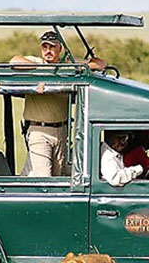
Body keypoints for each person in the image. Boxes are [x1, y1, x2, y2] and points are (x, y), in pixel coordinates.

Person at [10, 31, 106, 177]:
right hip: (39, 132)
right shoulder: (37, 63)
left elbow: (101, 64)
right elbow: (14, 61)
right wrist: (46, 71)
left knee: (58, 177)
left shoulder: (68, 66)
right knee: (44, 179)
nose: (48, 51)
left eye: (52, 47)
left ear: (60, 49)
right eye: (44, 47)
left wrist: (79, 66)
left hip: (62, 132)